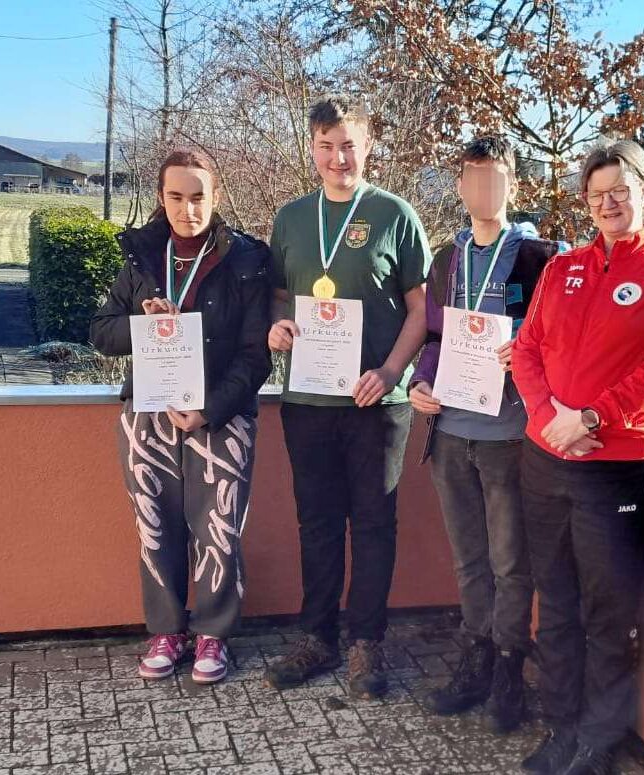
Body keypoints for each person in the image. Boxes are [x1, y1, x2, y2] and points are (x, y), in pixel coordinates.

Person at [511, 140, 644, 775]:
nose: (608, 204)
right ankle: (562, 726)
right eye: (596, 196)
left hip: (616, 464)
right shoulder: (562, 267)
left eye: (620, 191)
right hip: (546, 458)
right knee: (557, 598)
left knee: (607, 610)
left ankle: (598, 740)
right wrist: (548, 420)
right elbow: (528, 348)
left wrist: (590, 418)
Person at [264, 94, 431, 699]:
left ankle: (366, 644)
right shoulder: (289, 218)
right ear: (312, 151)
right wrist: (275, 327)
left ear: (369, 146)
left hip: (377, 405)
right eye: (327, 146)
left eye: (349, 144)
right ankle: (318, 638)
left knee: (374, 525)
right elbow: (278, 297)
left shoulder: (395, 214)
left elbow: (421, 309)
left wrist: (390, 372)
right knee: (317, 523)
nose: (339, 157)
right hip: (308, 401)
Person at [90, 149, 273, 684]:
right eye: (176, 197)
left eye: (198, 197)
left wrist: (211, 409)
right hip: (149, 413)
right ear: (161, 198)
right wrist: (141, 326)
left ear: (215, 198)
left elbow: (257, 354)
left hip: (220, 415)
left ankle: (214, 635)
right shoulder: (143, 257)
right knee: (155, 527)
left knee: (218, 528)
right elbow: (101, 332)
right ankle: (167, 630)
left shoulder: (246, 260)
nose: (187, 209)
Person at [409, 135, 558, 733]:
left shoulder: (542, 257)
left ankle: (507, 667)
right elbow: (435, 337)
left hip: (509, 434)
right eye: (473, 178)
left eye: (495, 178)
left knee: (510, 562)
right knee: (469, 558)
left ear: (513, 185)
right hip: (450, 430)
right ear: (461, 187)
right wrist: (419, 384)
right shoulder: (447, 259)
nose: (483, 189)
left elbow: (558, 339)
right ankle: (474, 656)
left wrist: (523, 348)